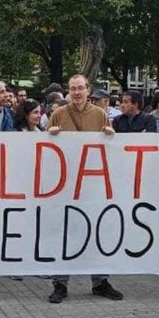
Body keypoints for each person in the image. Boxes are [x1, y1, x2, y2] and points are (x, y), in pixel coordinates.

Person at [46, 75, 123, 304]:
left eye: (80, 88)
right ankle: (60, 283)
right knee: (65, 233)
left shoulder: (100, 115)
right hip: (66, 184)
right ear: (68, 92)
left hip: (92, 184)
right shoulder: (59, 113)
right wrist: (51, 135)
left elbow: (111, 151)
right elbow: (46, 149)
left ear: (88, 90)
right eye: (73, 89)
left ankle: (100, 281)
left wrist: (111, 136)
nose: (77, 92)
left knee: (97, 231)